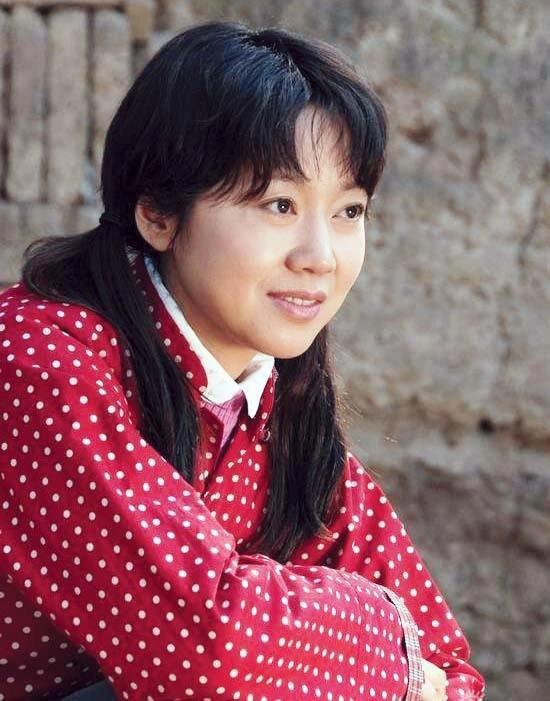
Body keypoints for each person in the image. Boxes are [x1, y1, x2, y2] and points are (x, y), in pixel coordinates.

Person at [0, 19, 485, 701]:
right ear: (158, 213)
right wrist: (374, 626)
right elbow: (203, 650)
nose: (319, 256)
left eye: (349, 211)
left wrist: (358, 653)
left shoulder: (276, 411)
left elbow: (449, 670)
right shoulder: (38, 361)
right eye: (279, 204)